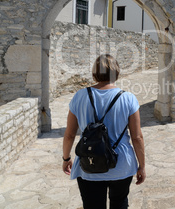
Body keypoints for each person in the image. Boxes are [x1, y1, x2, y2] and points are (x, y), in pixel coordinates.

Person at [62, 54, 146, 209]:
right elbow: (137, 137)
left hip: (89, 162)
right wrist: (141, 165)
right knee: (119, 203)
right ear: (117, 72)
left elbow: (69, 135)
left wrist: (66, 158)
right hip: (121, 164)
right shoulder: (128, 98)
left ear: (95, 73)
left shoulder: (79, 96)